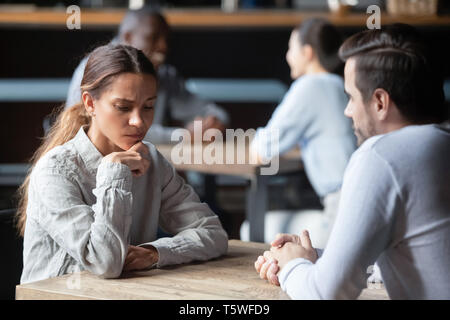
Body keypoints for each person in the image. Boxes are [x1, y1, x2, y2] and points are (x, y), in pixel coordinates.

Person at [254, 24, 450, 299]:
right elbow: (407, 258)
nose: (347, 111)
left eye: (351, 97)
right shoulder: (440, 142)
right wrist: (311, 259)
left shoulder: (381, 156)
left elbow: (325, 294)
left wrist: (290, 266)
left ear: (380, 102)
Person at [17, 44, 228, 284]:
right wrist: (113, 173)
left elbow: (213, 233)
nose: (139, 121)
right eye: (123, 107)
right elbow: (105, 262)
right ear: (90, 103)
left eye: (148, 106)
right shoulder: (54, 172)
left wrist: (155, 253)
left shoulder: (153, 161)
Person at [242, 18, 356, 247]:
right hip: (356, 204)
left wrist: (258, 140)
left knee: (248, 228)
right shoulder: (338, 84)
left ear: (307, 52)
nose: (287, 56)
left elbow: (264, 148)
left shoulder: (310, 86)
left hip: (340, 216)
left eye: (291, 49)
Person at [65, 8, 229, 144]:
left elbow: (209, 110)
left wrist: (213, 122)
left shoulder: (163, 74)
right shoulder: (94, 70)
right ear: (128, 37)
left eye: (148, 106)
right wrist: (183, 136)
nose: (163, 47)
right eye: (123, 107)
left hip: (146, 168)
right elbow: (108, 132)